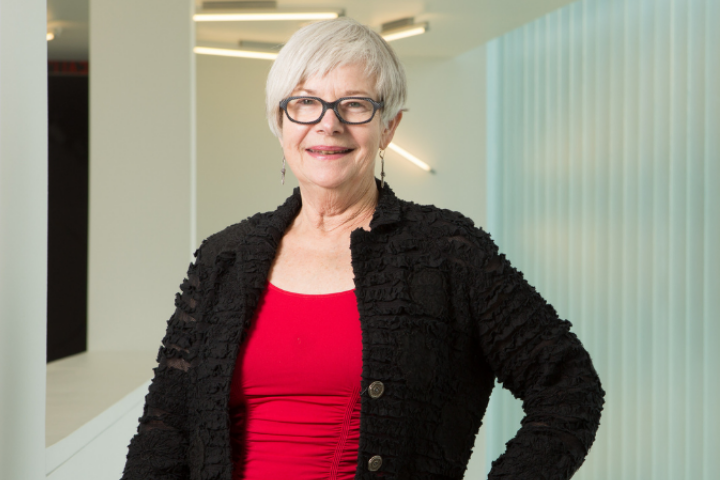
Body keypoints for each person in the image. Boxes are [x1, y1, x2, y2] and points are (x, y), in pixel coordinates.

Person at [121, 17, 604, 480]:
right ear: (280, 122)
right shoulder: (223, 257)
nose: (328, 124)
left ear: (389, 126)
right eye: (305, 102)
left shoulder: (448, 252)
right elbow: (165, 429)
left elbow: (569, 387)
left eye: (354, 105)